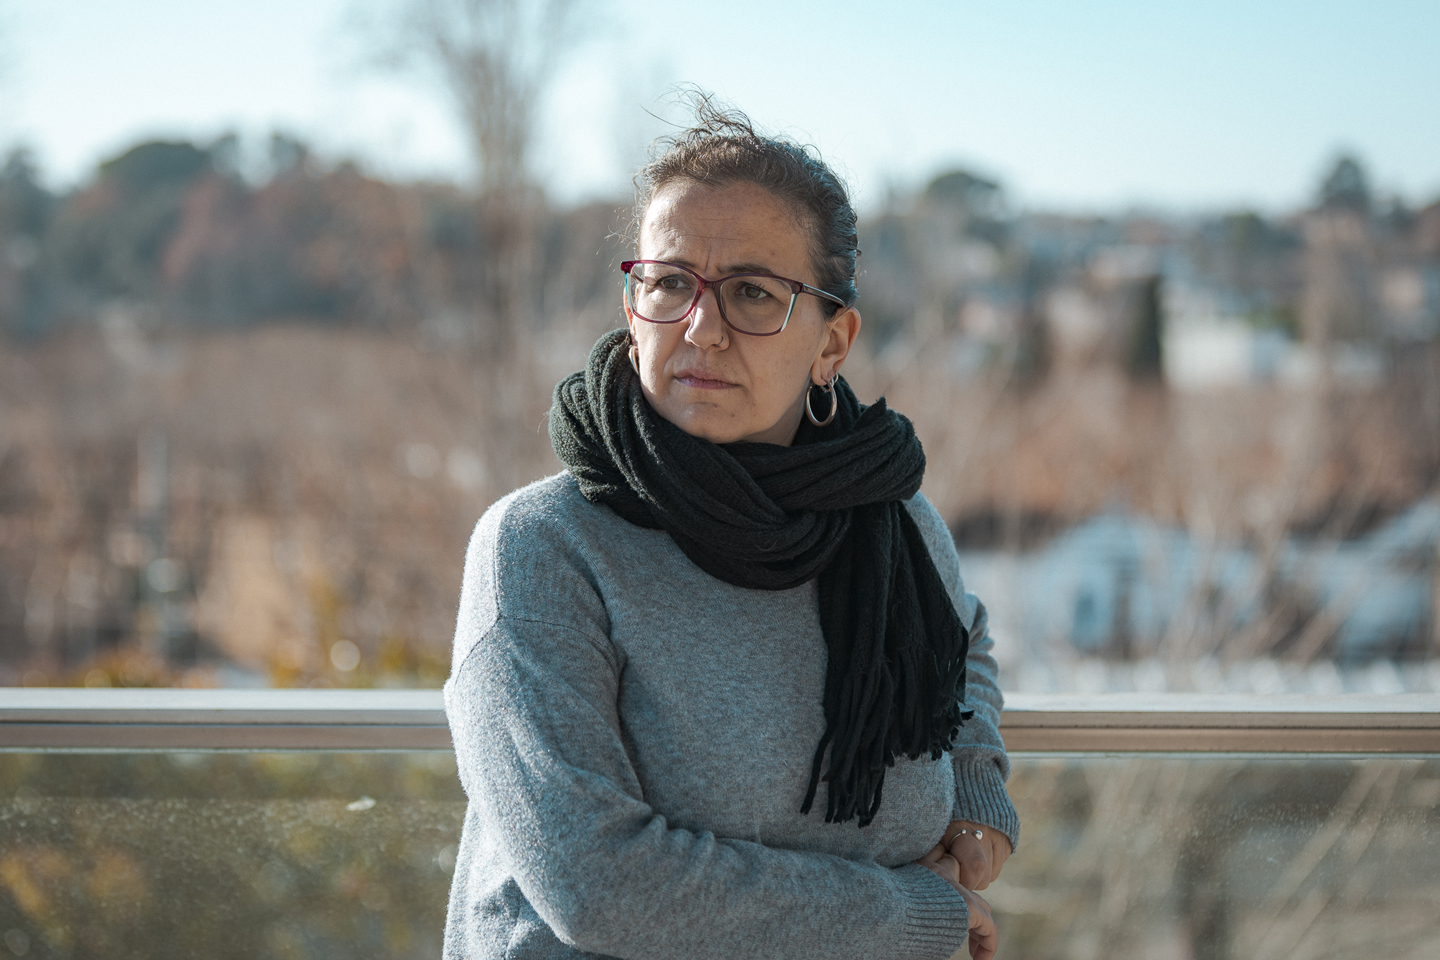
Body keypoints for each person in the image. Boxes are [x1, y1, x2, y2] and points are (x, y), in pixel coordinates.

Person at [443, 99, 1018, 960]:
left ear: (833, 343)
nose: (701, 329)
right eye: (670, 283)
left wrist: (974, 792)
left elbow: (958, 645)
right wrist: (906, 917)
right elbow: (600, 886)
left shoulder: (892, 523)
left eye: (752, 293)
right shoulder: (543, 548)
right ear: (632, 306)